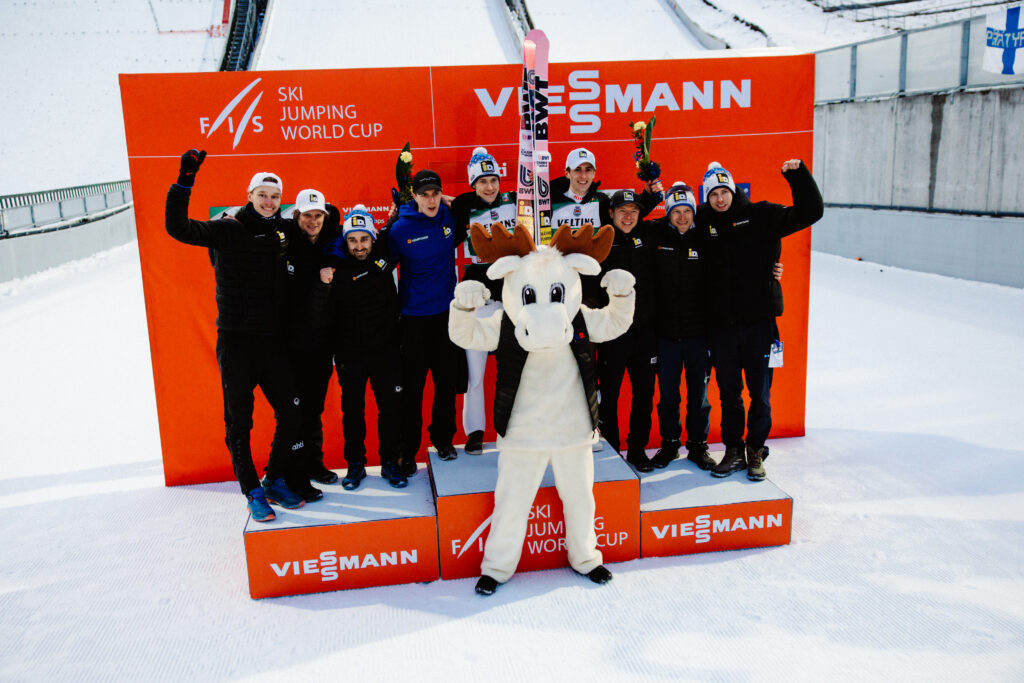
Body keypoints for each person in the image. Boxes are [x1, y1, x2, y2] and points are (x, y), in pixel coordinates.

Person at [164, 149, 307, 522]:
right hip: (237, 342)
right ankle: (252, 491)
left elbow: (323, 224)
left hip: (273, 342)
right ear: (249, 196)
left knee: (293, 413)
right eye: (262, 195)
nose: (269, 201)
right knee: (239, 423)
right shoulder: (229, 228)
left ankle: (274, 479)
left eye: (275, 196)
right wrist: (184, 181)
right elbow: (178, 228)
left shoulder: (283, 229)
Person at [697, 159, 823, 481]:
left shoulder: (762, 215)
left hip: (759, 327)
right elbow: (674, 232)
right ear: (707, 197)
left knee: (761, 395)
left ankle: (755, 450)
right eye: (713, 194)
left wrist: (798, 177)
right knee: (729, 395)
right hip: (722, 330)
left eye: (724, 192)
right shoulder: (702, 223)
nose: (720, 199)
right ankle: (733, 451)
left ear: (734, 190)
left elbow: (811, 212)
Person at [314, 205, 407, 489]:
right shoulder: (334, 261)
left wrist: (397, 211)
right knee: (353, 410)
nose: (358, 246)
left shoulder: (385, 249)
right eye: (352, 240)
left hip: (386, 349)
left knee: (390, 408)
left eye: (364, 239)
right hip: (350, 352)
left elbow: (397, 221)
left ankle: (390, 463)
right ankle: (355, 465)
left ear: (372, 238)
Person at [387, 169, 467, 472]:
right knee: (412, 389)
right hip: (413, 321)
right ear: (415, 197)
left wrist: (447, 200)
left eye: (436, 194)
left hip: (446, 317)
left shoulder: (449, 217)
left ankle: (443, 440)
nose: (431, 200)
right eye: (425, 195)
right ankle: (407, 451)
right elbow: (381, 264)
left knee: (446, 385)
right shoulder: (400, 229)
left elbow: (468, 204)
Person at [450, 147, 515, 455]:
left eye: (493, 180)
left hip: (509, 302)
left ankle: (509, 431)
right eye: (483, 181)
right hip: (478, 303)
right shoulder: (464, 206)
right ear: (473, 184)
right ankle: (475, 433)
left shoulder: (514, 201)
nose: (490, 187)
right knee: (475, 376)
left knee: (510, 373)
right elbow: (446, 205)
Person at [650, 183, 716, 470]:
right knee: (668, 395)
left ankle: (698, 446)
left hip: (698, 335)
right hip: (666, 335)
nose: (682, 217)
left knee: (698, 396)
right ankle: (670, 445)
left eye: (687, 211)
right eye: (676, 211)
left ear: (694, 212)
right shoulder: (657, 236)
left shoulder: (705, 238)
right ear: (668, 213)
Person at [594, 189, 659, 472]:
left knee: (644, 394)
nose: (628, 217)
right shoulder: (601, 241)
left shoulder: (649, 233)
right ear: (611, 213)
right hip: (613, 335)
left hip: (646, 332)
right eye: (622, 211)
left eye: (633, 211)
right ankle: (611, 451)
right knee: (609, 395)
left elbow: (683, 226)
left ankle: (637, 450)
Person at [285, 189, 340, 491]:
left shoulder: (330, 238)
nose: (313, 221)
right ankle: (292, 470)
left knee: (314, 408)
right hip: (291, 343)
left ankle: (314, 464)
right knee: (293, 410)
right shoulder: (286, 240)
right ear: (297, 215)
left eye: (318, 215)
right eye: (307, 215)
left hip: (321, 343)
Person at [550, 147, 662, 236]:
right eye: (577, 169)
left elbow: (625, 215)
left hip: (590, 258)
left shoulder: (601, 201)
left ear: (594, 173)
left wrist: (650, 195)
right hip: (557, 258)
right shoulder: (549, 199)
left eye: (588, 170)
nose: (583, 176)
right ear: (567, 173)